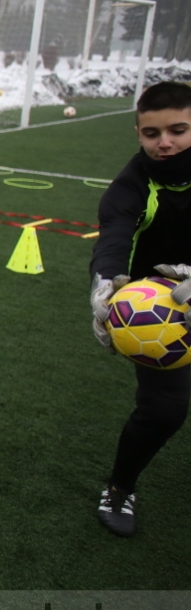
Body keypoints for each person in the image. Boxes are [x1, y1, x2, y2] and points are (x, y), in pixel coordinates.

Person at [89, 81, 191, 538]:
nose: (164, 142)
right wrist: (105, 286)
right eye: (152, 133)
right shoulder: (133, 184)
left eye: (178, 130)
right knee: (165, 411)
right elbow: (113, 236)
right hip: (164, 314)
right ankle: (120, 486)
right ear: (138, 133)